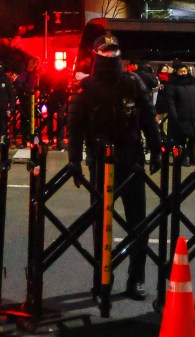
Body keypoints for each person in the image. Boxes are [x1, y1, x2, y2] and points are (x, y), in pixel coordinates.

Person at [67, 33, 162, 300]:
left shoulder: (133, 82)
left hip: (131, 160)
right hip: (100, 161)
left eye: (114, 50)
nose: (111, 55)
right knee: (101, 224)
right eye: (106, 51)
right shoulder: (87, 87)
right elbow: (74, 126)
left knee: (137, 224)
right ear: (97, 54)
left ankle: (136, 279)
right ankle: (101, 278)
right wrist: (73, 160)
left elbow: (148, 117)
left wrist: (156, 148)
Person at [164, 60, 195, 166]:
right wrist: (174, 117)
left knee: (194, 137)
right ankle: (182, 158)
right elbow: (170, 103)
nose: (183, 73)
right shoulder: (172, 85)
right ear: (176, 72)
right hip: (180, 116)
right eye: (181, 71)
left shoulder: (191, 84)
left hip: (192, 116)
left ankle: (192, 157)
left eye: (185, 71)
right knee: (179, 139)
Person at [15, 57, 40, 146]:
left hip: (31, 98)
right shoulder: (26, 73)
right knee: (26, 119)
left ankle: (29, 137)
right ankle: (26, 138)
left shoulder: (33, 74)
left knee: (29, 119)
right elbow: (19, 82)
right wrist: (25, 91)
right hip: (27, 99)